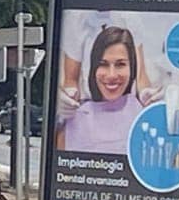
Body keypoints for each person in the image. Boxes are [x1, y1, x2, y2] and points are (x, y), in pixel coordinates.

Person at [57, 26, 145, 155]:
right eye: (103, 64)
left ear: (132, 67)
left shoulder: (143, 117)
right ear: (94, 68)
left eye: (120, 64)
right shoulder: (74, 118)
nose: (111, 75)